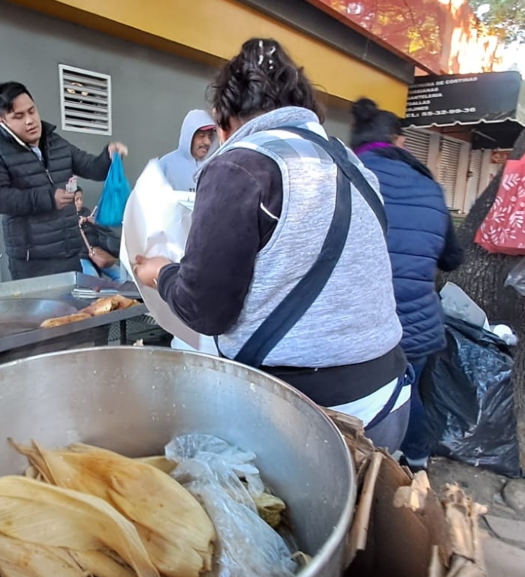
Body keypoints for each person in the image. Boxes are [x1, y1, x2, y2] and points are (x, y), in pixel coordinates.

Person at [134, 38, 411, 449]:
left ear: (224, 118)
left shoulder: (240, 164)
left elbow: (204, 309)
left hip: (307, 417)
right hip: (387, 399)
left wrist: (160, 272)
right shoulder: (351, 165)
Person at [350, 98, 463, 470]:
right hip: (417, 323)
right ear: (398, 141)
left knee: (358, 397)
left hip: (357, 320)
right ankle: (416, 460)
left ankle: (352, 467)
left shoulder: (343, 174)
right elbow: (452, 258)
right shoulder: (429, 187)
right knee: (407, 391)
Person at [0, 82, 127, 280]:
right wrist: (48, 198)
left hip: (69, 253)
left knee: (78, 310)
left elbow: (91, 167)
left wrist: (108, 156)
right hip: (32, 262)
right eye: (18, 116)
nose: (30, 121)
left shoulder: (54, 141)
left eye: (32, 111)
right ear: (2, 120)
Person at [159, 109, 216, 191]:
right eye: (201, 136)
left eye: (210, 136)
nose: (208, 142)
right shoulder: (165, 165)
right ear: (189, 136)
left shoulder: (215, 166)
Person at [74, 191, 122, 281]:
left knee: (121, 276)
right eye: (76, 200)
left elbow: (104, 232)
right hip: (81, 256)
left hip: (96, 252)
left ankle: (121, 294)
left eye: (81, 199)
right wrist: (78, 225)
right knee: (94, 280)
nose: (80, 202)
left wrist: (95, 222)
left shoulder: (86, 212)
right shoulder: (66, 217)